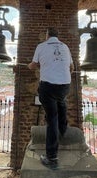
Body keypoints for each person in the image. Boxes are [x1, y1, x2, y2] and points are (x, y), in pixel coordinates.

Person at [28, 27, 74, 169]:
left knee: (51, 118)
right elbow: (72, 67)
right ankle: (63, 128)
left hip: (48, 87)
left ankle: (52, 158)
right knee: (61, 102)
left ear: (47, 35)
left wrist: (30, 66)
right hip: (65, 85)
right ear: (57, 35)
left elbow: (33, 65)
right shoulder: (65, 46)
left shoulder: (41, 46)